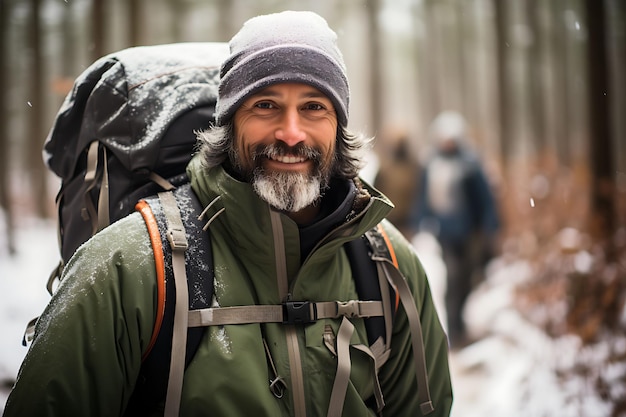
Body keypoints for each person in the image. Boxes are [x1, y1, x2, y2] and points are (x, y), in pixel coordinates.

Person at [4, 11, 452, 416]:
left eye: (314, 106)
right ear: (229, 122)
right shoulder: (129, 268)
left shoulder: (389, 267)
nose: (291, 132)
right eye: (265, 105)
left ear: (339, 125)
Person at [410, 110, 500, 349]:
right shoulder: (431, 163)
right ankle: (455, 331)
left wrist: (490, 225)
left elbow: (485, 198)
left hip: (470, 232)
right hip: (446, 233)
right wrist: (419, 222)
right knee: (453, 276)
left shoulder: (470, 163)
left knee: (470, 277)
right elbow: (423, 198)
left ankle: (460, 322)